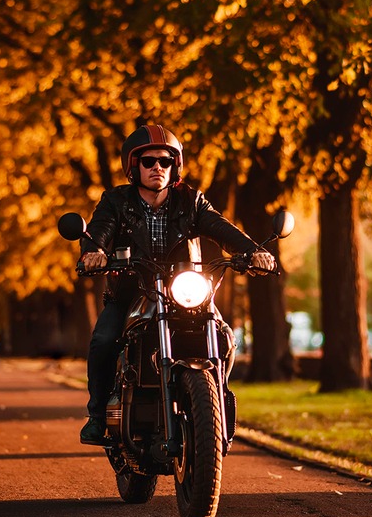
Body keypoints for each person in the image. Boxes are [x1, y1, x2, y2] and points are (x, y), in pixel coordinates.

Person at [77, 124, 276, 445]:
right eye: (149, 161)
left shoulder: (191, 201)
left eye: (166, 161)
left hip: (183, 291)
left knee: (223, 334)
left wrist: (253, 251)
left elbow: (221, 228)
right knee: (103, 339)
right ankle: (98, 415)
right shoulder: (115, 201)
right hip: (131, 291)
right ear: (134, 166)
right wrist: (94, 253)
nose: (158, 167)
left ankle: (214, 400)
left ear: (175, 166)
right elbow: (99, 231)